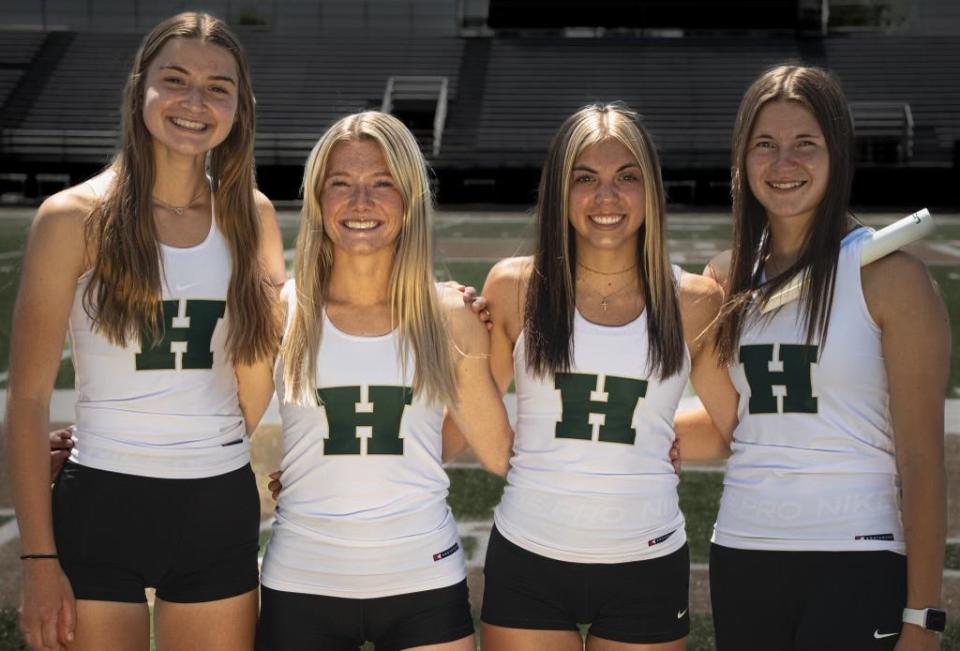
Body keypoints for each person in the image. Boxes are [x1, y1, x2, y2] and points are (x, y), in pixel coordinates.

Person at [7, 12, 285, 651]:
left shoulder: (253, 217)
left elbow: (255, 378)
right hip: (102, 502)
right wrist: (40, 562)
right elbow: (25, 401)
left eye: (219, 87)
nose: (196, 102)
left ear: (239, 108)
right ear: (141, 91)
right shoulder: (72, 218)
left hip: (217, 501)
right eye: (177, 80)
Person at [686, 64, 948, 651]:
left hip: (855, 556)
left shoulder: (892, 278)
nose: (784, 164)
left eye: (806, 144)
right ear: (741, 159)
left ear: (838, 154)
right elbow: (736, 423)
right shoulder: (726, 279)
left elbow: (922, 456)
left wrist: (924, 613)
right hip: (743, 552)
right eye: (766, 146)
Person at [475, 104, 737, 651]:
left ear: (651, 189)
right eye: (585, 179)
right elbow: (464, 418)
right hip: (529, 554)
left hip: (647, 559)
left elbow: (736, 428)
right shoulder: (514, 288)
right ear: (559, 190)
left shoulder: (692, 300)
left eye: (626, 178)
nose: (606, 198)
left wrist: (660, 437)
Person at [254, 110, 513, 651]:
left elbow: (496, 452)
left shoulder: (448, 313)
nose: (361, 203)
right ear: (317, 200)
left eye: (381, 184)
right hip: (304, 576)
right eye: (341, 185)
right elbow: (220, 426)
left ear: (411, 197)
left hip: (422, 575)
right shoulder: (283, 310)